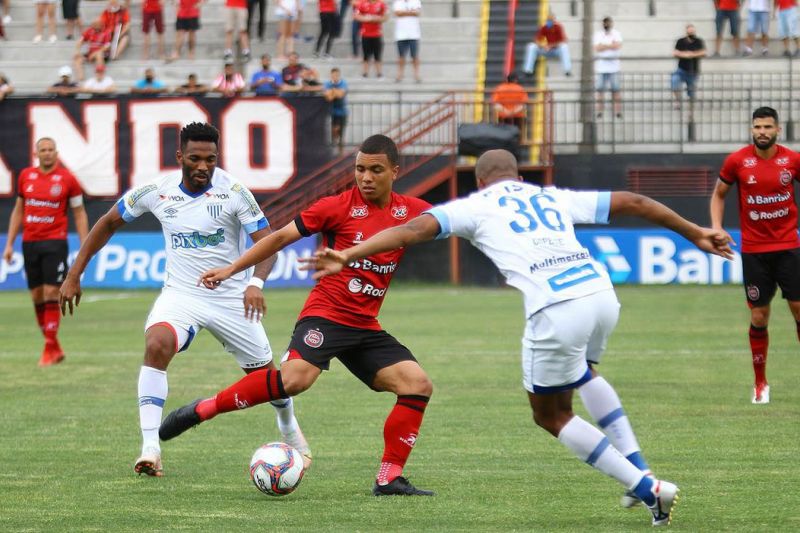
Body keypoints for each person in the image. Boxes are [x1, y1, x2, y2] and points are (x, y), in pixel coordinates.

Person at [303, 149, 735, 524]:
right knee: (584, 372)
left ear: (479, 181)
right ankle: (640, 471)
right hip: (601, 295)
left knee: (551, 415)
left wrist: (350, 253)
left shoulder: (475, 206)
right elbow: (635, 201)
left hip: (557, 308)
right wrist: (697, 232)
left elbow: (411, 230)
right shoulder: (551, 196)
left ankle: (646, 488)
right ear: (519, 177)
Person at [161, 134, 436, 497]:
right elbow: (278, 239)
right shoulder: (336, 206)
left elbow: (455, 220)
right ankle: (204, 409)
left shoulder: (412, 211)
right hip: (326, 315)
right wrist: (232, 270)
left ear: (395, 172)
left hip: (365, 325)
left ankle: (389, 478)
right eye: (359, 169)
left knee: (417, 385)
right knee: (293, 381)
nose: (366, 177)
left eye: (375, 170)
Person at [58, 122, 312, 477]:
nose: (203, 166)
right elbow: (108, 222)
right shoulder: (156, 191)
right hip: (182, 295)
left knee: (269, 382)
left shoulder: (234, 192)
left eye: (210, 159)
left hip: (231, 299)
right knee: (157, 344)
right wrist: (75, 273)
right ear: (180, 156)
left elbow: (267, 243)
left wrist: (255, 283)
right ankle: (150, 449)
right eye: (195, 158)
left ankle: (289, 427)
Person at [710, 106, 800, 405]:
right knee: (759, 315)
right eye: (758, 127)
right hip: (754, 251)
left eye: (767, 127)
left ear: (778, 130)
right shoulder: (737, 161)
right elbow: (719, 194)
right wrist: (716, 227)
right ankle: (760, 382)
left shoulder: (792, 160)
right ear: (752, 129)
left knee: (799, 310)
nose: (762, 132)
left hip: (789, 247)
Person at [3, 138, 89, 367]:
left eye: (51, 150)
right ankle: (53, 346)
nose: (47, 153)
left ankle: (49, 347)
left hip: (55, 242)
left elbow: (79, 212)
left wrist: (85, 243)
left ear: (56, 153)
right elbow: (18, 210)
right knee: (37, 295)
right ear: (37, 153)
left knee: (52, 291)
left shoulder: (68, 179)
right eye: (43, 150)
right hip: (29, 242)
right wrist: (9, 243)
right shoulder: (25, 176)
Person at [522, 12, 572, 77]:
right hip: (545, 50)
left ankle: (567, 70)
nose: (549, 22)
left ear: (554, 20)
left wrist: (551, 46)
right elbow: (536, 40)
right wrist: (543, 46)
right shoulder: (544, 28)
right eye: (548, 20)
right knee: (531, 46)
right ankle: (528, 70)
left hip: (555, 50)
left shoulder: (558, 27)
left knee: (564, 47)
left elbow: (564, 40)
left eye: (551, 20)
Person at [593, 16, 622, 119]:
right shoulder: (598, 34)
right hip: (601, 68)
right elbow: (597, 48)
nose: (607, 25)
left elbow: (618, 46)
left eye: (608, 22)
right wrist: (610, 45)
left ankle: (617, 112)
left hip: (614, 68)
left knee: (616, 90)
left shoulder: (616, 33)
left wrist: (604, 46)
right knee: (600, 91)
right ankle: (599, 111)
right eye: (605, 23)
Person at [671, 24, 706, 109]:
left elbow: (703, 52)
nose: (691, 33)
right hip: (681, 70)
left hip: (693, 71)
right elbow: (675, 52)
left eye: (692, 31)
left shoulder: (698, 41)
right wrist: (686, 54)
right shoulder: (680, 41)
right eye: (690, 31)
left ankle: (691, 109)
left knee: (691, 92)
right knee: (674, 81)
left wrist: (692, 54)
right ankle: (677, 101)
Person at [354, 0, 387, 78]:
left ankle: (379, 73)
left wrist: (376, 19)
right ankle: (365, 73)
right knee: (366, 54)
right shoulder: (362, 3)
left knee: (377, 54)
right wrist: (366, 18)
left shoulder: (381, 4)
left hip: (377, 33)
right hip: (365, 33)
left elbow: (385, 17)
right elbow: (356, 16)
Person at [393, 0, 421, 82]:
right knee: (401, 56)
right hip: (401, 34)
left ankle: (416, 75)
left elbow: (417, 13)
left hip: (413, 34)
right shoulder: (397, 2)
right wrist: (410, 12)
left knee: (415, 56)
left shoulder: (416, 1)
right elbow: (397, 13)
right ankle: (400, 74)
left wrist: (403, 12)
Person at [324, 67, 348, 152]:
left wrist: (332, 91)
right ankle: (333, 150)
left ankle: (341, 153)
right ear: (331, 75)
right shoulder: (327, 83)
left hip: (342, 112)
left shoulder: (344, 83)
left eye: (337, 75)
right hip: (332, 112)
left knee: (341, 133)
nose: (335, 77)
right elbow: (329, 97)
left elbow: (341, 95)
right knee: (333, 131)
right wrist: (336, 92)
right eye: (333, 75)